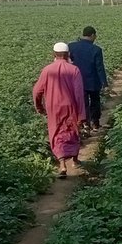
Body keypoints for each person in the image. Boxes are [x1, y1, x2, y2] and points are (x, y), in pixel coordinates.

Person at [33, 42, 87, 178]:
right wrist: (81, 114)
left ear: (54, 55)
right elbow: (79, 94)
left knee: (57, 133)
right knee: (72, 131)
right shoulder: (74, 70)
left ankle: (62, 165)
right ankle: (74, 160)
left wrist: (39, 107)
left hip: (53, 107)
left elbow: (37, 91)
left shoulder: (47, 70)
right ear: (68, 54)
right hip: (70, 106)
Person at [69, 25, 107, 132]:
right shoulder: (96, 49)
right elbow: (99, 67)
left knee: (82, 102)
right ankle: (95, 123)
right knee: (95, 101)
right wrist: (104, 83)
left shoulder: (72, 46)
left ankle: (85, 124)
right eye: (95, 36)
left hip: (77, 81)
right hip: (93, 81)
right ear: (92, 35)